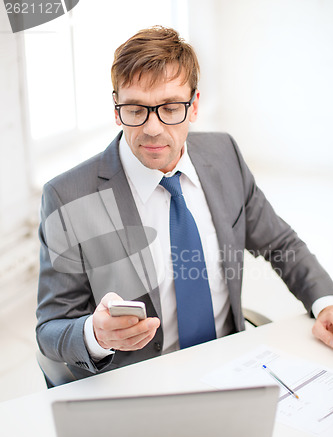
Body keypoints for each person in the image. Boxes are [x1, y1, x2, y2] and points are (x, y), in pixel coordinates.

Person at [36, 26, 333, 382]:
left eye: (170, 108)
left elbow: (281, 243)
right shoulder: (68, 196)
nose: (153, 129)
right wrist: (95, 336)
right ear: (116, 110)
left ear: (193, 106)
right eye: (135, 110)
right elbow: (51, 326)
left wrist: (325, 302)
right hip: (139, 384)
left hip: (232, 366)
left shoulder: (225, 155)